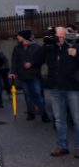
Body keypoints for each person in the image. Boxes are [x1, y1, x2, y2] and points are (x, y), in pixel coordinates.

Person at [40, 27, 79, 157]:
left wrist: (77, 54)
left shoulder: (75, 45)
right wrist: (46, 43)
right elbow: (37, 58)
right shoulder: (51, 48)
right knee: (59, 119)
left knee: (77, 119)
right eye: (56, 35)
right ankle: (62, 146)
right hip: (55, 88)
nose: (57, 37)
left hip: (72, 88)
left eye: (57, 34)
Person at [10, 30, 50, 122]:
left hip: (34, 75)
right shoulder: (17, 48)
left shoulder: (36, 47)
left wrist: (32, 64)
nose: (17, 37)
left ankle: (44, 114)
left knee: (38, 95)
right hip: (23, 76)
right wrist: (13, 72)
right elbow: (14, 61)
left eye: (19, 36)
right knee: (27, 95)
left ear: (24, 37)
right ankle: (31, 113)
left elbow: (41, 60)